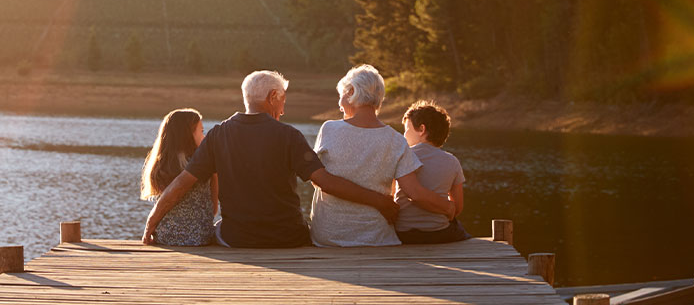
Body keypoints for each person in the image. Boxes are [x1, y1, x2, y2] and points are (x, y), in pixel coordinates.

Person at [142, 70, 399, 248]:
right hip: (289, 238)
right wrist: (381, 201)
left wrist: (151, 224)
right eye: (283, 100)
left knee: (219, 227)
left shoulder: (218, 134)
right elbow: (325, 182)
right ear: (272, 97)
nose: (284, 109)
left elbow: (181, 184)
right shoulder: (289, 135)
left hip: (237, 239)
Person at [310, 64, 455, 247]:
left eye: (341, 97)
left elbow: (317, 180)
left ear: (352, 92)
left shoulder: (329, 129)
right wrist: (448, 207)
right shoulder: (396, 140)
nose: (339, 106)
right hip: (375, 238)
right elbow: (415, 193)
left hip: (328, 237)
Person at [394, 100, 472, 244]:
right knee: (459, 229)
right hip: (439, 233)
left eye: (406, 129)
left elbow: (392, 197)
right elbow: (458, 208)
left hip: (403, 234)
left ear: (421, 129)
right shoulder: (452, 161)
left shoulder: (401, 156)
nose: (404, 135)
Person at [140, 108, 218, 246]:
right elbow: (213, 209)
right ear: (187, 135)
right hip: (199, 238)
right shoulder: (202, 165)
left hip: (166, 236)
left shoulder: (160, 165)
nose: (204, 137)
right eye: (201, 131)